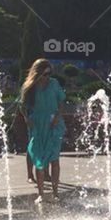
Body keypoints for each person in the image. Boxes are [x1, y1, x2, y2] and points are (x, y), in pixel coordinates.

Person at [20, 59, 65, 203]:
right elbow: (22, 105)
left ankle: (56, 192)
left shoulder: (54, 84)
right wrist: (27, 118)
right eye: (44, 74)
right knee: (39, 158)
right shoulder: (30, 86)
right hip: (37, 125)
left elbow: (61, 102)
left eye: (49, 73)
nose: (47, 76)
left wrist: (57, 117)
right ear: (37, 72)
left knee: (54, 158)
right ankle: (41, 194)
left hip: (53, 123)